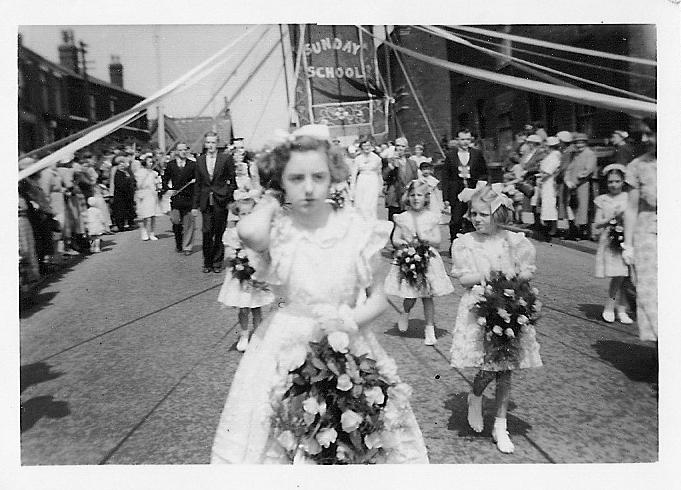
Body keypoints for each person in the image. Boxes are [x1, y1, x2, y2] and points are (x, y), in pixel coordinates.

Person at [210, 125, 428, 464]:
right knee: (283, 433)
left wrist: (347, 321)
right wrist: (271, 196)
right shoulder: (279, 228)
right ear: (281, 181)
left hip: (347, 336)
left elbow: (378, 298)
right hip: (286, 342)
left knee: (354, 435)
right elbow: (248, 232)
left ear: (333, 177)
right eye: (296, 178)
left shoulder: (357, 228)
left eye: (318, 176)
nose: (309, 187)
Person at [449, 183, 542, 454]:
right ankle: (475, 395)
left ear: (498, 215)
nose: (476, 219)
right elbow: (464, 278)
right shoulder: (465, 243)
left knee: (506, 368)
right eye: (473, 214)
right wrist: (490, 276)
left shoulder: (513, 241)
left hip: (508, 305)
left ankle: (500, 426)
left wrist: (514, 277)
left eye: (483, 214)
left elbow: (527, 271)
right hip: (480, 306)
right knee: (488, 366)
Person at [384, 179, 454, 346]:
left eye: (420, 195)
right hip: (409, 258)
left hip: (427, 258)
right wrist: (403, 244)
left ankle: (429, 329)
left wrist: (426, 239)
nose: (416, 199)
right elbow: (395, 239)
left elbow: (437, 240)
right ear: (408, 197)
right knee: (410, 295)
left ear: (426, 198)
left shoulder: (431, 217)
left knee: (427, 296)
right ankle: (405, 311)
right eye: (413, 195)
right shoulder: (403, 218)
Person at [218, 198, 274, 352]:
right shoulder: (232, 233)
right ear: (237, 215)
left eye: (250, 213)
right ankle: (244, 335)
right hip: (240, 274)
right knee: (243, 307)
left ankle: (258, 335)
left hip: (256, 274)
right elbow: (228, 254)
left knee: (256, 306)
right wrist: (237, 259)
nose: (247, 216)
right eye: (243, 214)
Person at [623, 118, 657, 342]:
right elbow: (632, 208)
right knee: (651, 294)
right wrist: (628, 245)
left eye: (650, 133)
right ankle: (661, 351)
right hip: (648, 235)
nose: (644, 139)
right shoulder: (637, 166)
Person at [192, 132, 237, 274]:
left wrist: (227, 194)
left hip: (220, 200)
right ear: (205, 144)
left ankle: (217, 262)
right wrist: (195, 205)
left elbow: (233, 180)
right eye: (208, 143)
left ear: (217, 143)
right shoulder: (200, 160)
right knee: (206, 232)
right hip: (206, 201)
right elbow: (198, 184)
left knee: (219, 232)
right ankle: (207, 262)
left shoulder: (225, 159)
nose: (210, 145)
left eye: (213, 142)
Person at [593, 164, 632, 324]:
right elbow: (597, 223)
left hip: (629, 238)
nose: (613, 185)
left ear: (623, 181)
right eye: (610, 182)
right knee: (618, 275)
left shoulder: (629, 198)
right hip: (612, 240)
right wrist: (611, 218)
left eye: (617, 181)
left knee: (628, 276)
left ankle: (622, 309)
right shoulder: (603, 200)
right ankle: (609, 306)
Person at [442, 128, 487, 246]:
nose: (465, 142)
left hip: (473, 191)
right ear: (457, 140)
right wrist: (446, 198)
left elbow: (484, 172)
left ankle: (473, 244)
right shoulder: (451, 155)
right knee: (456, 220)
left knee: (473, 219)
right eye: (462, 139)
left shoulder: (477, 154)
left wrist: (480, 184)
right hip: (456, 192)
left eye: (468, 139)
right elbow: (445, 177)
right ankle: (454, 244)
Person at [163, 142, 197, 255]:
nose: (183, 152)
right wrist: (168, 189)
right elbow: (164, 179)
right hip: (176, 199)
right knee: (176, 222)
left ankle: (187, 247)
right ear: (176, 151)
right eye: (180, 150)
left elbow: (198, 181)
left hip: (189, 199)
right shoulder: (170, 165)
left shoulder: (193, 165)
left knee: (189, 224)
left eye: (185, 149)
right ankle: (179, 243)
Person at [564, 133, 598, 240]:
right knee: (571, 207)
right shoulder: (575, 155)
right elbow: (569, 169)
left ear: (585, 143)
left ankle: (582, 232)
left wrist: (577, 181)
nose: (579, 145)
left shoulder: (590, 154)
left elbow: (588, 170)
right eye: (577, 142)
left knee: (583, 207)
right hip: (572, 185)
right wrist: (567, 180)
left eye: (581, 142)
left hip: (583, 184)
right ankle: (573, 230)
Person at [382, 137, 417, 222]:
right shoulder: (389, 161)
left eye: (403, 146)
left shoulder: (412, 163)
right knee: (394, 223)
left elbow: (415, 179)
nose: (400, 148)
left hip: (407, 197)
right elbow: (384, 176)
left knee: (409, 224)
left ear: (406, 148)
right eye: (398, 146)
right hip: (394, 196)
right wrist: (392, 166)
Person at [351, 137, 383, 219]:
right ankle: (362, 224)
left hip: (373, 180)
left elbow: (379, 173)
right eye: (364, 145)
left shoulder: (377, 158)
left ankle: (371, 222)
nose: (367, 147)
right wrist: (352, 189)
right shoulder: (358, 159)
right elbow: (354, 175)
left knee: (371, 203)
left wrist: (380, 186)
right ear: (361, 147)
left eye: (368, 145)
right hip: (362, 181)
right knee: (360, 203)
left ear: (371, 146)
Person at [537, 136, 562, 241]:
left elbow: (548, 172)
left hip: (550, 182)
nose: (545, 148)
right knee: (547, 204)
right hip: (546, 182)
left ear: (550, 146)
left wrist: (541, 178)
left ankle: (553, 228)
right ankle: (550, 226)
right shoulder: (551, 155)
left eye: (546, 146)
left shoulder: (554, 156)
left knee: (550, 204)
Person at [134, 154, 161, 241]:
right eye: (149, 162)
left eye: (151, 162)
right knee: (145, 215)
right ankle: (144, 231)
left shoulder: (153, 173)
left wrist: (157, 184)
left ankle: (152, 233)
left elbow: (157, 183)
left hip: (152, 195)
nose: (151, 163)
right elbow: (138, 184)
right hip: (144, 195)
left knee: (153, 215)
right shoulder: (140, 172)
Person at [111, 156, 137, 232]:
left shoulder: (126, 172)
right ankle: (121, 226)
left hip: (127, 195)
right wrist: (128, 181)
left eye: (123, 164)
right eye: (120, 164)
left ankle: (128, 224)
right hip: (120, 195)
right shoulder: (117, 173)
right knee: (120, 211)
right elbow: (120, 184)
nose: (122, 165)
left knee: (127, 209)